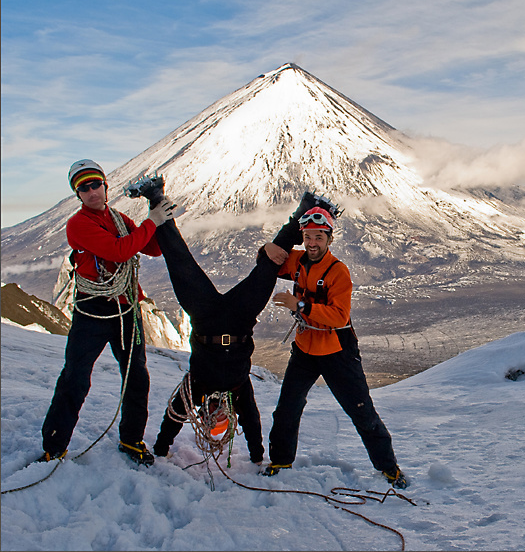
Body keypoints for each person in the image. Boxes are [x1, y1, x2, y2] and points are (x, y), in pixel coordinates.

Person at [123, 174, 337, 465]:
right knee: (268, 266)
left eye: (212, 421)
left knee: (180, 264)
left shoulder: (194, 389)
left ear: (204, 417)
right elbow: (252, 423)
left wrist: (161, 448)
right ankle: (308, 209)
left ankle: (155, 197)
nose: (217, 417)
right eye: (222, 422)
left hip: (205, 318)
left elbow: (172, 418)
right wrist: (257, 457)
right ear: (229, 418)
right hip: (239, 320)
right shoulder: (239, 392)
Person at [38, 159, 178, 466]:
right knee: (76, 377)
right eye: (83, 188)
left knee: (136, 377)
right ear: (78, 194)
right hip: (93, 310)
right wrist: (152, 221)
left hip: (125, 306)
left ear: (105, 185)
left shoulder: (118, 218)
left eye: (95, 185)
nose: (91, 192)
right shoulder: (78, 224)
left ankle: (131, 438)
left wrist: (158, 212)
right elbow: (119, 251)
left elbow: (151, 249)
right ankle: (54, 445)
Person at [265, 206, 409, 489]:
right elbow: (270, 258)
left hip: (336, 352)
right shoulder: (297, 261)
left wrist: (300, 305)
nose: (312, 243)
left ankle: (389, 468)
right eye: (308, 237)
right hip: (305, 347)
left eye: (319, 237)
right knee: (287, 409)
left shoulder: (337, 271)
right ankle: (280, 461)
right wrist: (268, 246)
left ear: (329, 239)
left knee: (361, 411)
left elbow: (339, 316)